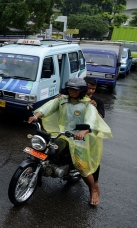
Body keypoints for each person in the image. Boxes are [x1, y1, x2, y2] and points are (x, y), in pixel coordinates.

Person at [28, 78, 112, 206]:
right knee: (43, 146)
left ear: (81, 91)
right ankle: (33, 167)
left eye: (75, 90)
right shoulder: (62, 100)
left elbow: (91, 120)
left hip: (80, 138)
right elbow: (48, 107)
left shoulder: (88, 105)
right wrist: (36, 115)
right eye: (70, 89)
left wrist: (83, 132)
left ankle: (93, 189)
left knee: (82, 166)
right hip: (61, 133)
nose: (72, 91)